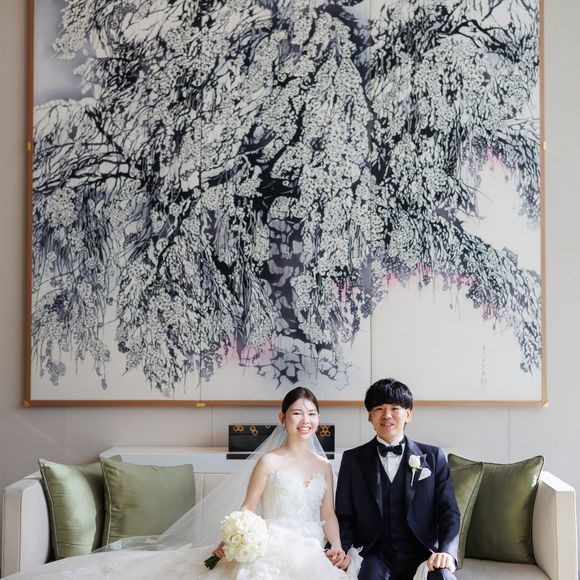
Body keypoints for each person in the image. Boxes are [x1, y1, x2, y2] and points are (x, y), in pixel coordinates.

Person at [5, 387, 359, 580]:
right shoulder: (269, 461)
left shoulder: (323, 465)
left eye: (312, 414)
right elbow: (249, 507)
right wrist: (234, 539)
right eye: (297, 413)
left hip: (310, 545)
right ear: (282, 418)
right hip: (273, 541)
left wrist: (338, 548)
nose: (305, 420)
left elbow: (327, 514)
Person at [333, 378, 460, 580]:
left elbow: (448, 511)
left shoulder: (434, 457)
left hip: (423, 554)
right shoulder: (352, 459)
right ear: (370, 416)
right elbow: (344, 516)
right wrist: (342, 550)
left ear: (408, 414)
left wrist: (447, 552)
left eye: (395, 408)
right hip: (375, 556)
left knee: (443, 577)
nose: (387, 415)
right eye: (379, 409)